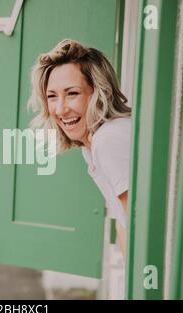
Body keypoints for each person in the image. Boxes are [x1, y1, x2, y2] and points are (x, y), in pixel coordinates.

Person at [28, 39, 132, 259]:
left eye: (72, 93)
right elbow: (123, 223)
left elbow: (141, 224)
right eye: (52, 96)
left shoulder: (108, 139)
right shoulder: (92, 144)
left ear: (98, 93)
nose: (60, 109)